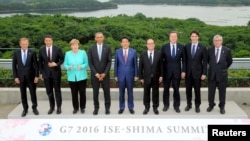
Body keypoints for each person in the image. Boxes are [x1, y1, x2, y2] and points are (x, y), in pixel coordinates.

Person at [12, 37, 39, 117]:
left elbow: (36, 65)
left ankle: (34, 108)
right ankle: (25, 109)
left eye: (26, 44)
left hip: (31, 77)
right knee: (23, 94)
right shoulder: (16, 53)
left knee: (33, 93)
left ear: (28, 44)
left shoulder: (32, 52)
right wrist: (15, 77)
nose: (24, 45)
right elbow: (14, 66)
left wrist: (36, 76)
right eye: (23, 44)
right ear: (20, 44)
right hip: (20, 77)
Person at [207, 34, 232, 114]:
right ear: (213, 41)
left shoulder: (227, 50)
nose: (217, 42)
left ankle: (222, 107)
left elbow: (229, 61)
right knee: (211, 92)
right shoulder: (209, 50)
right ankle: (211, 105)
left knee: (222, 92)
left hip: (222, 75)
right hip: (212, 75)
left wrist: (223, 69)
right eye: (215, 40)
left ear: (221, 41)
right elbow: (208, 60)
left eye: (218, 40)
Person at [39, 35, 64, 115]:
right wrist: (41, 73)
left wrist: (56, 64)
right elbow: (40, 62)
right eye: (46, 40)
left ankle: (59, 107)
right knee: (49, 91)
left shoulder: (57, 49)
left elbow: (62, 59)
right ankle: (52, 107)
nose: (48, 42)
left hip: (56, 73)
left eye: (49, 40)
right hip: (46, 74)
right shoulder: (41, 50)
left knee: (57, 91)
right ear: (44, 41)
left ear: (52, 41)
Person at [161, 31, 186, 113]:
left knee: (176, 89)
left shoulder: (181, 47)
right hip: (166, 72)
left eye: (175, 36)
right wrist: (161, 73)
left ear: (177, 37)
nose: (173, 38)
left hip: (177, 72)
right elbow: (161, 61)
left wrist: (183, 71)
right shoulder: (164, 47)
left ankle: (176, 106)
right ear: (169, 37)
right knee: (166, 90)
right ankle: (166, 105)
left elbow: (184, 61)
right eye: (172, 36)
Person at [88, 32, 112, 115]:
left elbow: (109, 62)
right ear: (95, 38)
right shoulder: (91, 48)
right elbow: (90, 62)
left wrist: (104, 73)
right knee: (95, 93)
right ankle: (96, 108)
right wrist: (96, 74)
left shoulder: (108, 47)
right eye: (97, 37)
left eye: (101, 37)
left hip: (105, 75)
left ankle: (107, 108)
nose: (99, 38)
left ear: (103, 38)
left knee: (107, 92)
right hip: (95, 76)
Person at [184, 30, 207, 113]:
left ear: (198, 37)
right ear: (190, 37)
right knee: (188, 90)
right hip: (188, 72)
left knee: (197, 90)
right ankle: (189, 105)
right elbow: (185, 61)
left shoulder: (202, 47)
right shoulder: (186, 46)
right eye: (192, 36)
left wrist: (204, 73)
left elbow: (205, 61)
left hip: (198, 73)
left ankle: (197, 106)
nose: (194, 38)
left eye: (195, 36)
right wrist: (184, 71)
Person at [64, 39, 88, 114]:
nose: (75, 46)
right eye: (73, 45)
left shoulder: (83, 52)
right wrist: (68, 67)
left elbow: (86, 63)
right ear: (71, 46)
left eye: (76, 45)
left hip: (82, 76)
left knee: (82, 93)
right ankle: (75, 108)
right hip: (72, 77)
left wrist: (82, 66)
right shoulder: (67, 54)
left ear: (78, 45)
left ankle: (82, 107)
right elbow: (65, 64)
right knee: (74, 93)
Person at [114, 36, 138, 114]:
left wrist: (136, 75)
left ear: (129, 43)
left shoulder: (133, 52)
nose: (125, 43)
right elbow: (116, 64)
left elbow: (135, 64)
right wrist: (115, 75)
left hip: (130, 75)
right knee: (121, 93)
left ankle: (131, 107)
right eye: (123, 42)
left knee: (130, 93)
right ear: (121, 43)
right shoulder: (117, 52)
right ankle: (121, 107)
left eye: (126, 41)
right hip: (120, 76)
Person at [139, 39, 163, 115]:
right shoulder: (143, 54)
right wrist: (141, 78)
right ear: (146, 45)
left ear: (154, 44)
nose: (150, 45)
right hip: (146, 78)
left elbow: (161, 66)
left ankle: (155, 107)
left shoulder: (159, 54)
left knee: (155, 93)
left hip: (156, 77)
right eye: (149, 43)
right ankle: (146, 107)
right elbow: (140, 67)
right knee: (146, 93)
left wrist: (161, 76)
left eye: (152, 43)